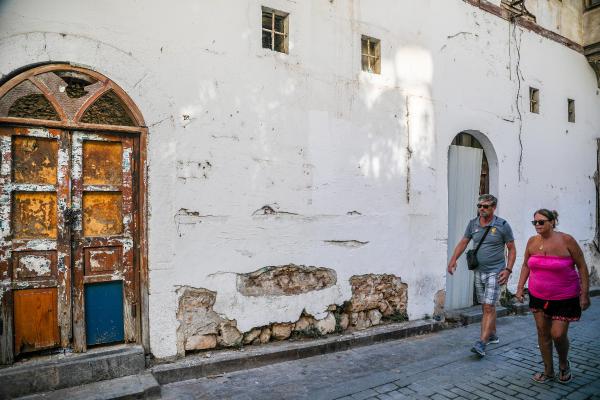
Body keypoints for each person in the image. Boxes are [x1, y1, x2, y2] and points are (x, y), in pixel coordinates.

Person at [515, 209, 590, 384]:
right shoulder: (532, 242)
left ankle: (564, 363)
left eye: (541, 222)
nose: (537, 226)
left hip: (565, 296)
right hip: (538, 295)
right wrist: (520, 288)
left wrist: (584, 294)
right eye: (535, 223)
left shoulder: (567, 240)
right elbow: (526, 265)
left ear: (552, 222)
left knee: (557, 334)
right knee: (542, 332)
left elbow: (582, 266)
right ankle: (548, 371)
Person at [447, 194, 516, 357]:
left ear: (493, 208)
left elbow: (512, 249)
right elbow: (464, 242)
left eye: (485, 206)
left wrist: (508, 270)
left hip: (496, 271)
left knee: (487, 306)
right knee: (486, 306)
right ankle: (491, 335)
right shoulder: (473, 224)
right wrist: (453, 260)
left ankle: (481, 343)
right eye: (479, 206)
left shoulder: (502, 225)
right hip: (479, 271)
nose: (481, 209)